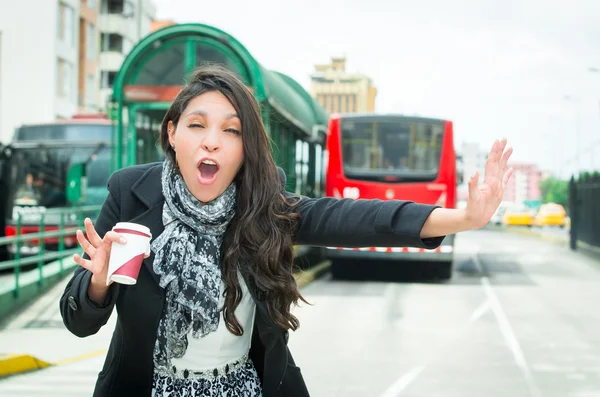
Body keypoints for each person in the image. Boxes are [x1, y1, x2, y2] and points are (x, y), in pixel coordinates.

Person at [59, 66, 513, 397]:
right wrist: (98, 284)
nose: (211, 141)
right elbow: (78, 319)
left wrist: (462, 219)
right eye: (196, 125)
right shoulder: (130, 194)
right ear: (173, 133)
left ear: (244, 148)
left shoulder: (264, 204)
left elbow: (351, 217)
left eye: (231, 131)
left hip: (243, 387)